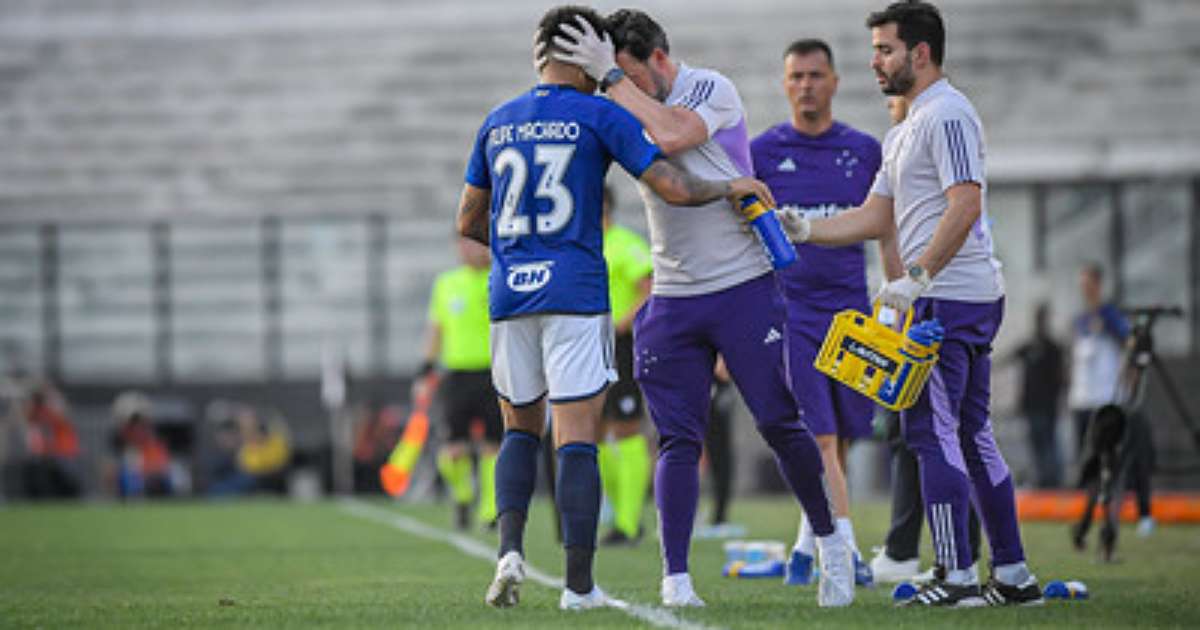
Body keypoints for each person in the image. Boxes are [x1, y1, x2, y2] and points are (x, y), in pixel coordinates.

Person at [460, 5, 777, 611]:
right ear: (585, 56)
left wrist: (517, 254)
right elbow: (674, 187)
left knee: (518, 431)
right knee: (577, 436)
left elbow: (467, 221)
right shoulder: (599, 112)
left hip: (509, 294)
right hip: (574, 291)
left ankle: (508, 553)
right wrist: (729, 185)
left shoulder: (497, 121)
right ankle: (579, 588)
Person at [551, 9, 855, 608]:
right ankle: (677, 578)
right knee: (677, 440)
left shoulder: (711, 87)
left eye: (635, 76)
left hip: (743, 283)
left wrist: (612, 78)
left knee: (778, 421)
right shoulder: (622, 97)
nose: (628, 88)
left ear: (659, 60)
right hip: (673, 294)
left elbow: (670, 136)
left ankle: (832, 543)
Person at [780, 1, 1042, 606]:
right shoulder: (905, 127)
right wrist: (805, 230)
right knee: (972, 435)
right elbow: (877, 216)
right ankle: (1013, 575)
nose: (875, 62)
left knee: (933, 434)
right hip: (954, 293)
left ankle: (956, 576)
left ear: (920, 53)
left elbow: (966, 203)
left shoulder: (946, 114)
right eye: (874, 50)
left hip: (948, 297)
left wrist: (917, 276)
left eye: (885, 49)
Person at [750, 38, 881, 588]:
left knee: (844, 437)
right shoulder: (760, 152)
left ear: (834, 81)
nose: (806, 84)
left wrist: (897, 293)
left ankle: (805, 547)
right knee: (819, 436)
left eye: (815, 75)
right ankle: (843, 553)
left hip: (852, 312)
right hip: (793, 312)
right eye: (796, 76)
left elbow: (884, 224)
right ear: (785, 84)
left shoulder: (865, 149)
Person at [415, 234, 503, 530]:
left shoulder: (501, 277)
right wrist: (426, 367)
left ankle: (490, 511)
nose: (469, 250)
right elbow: (436, 329)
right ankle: (463, 494)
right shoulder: (446, 284)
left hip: (494, 371)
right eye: (463, 244)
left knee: (494, 443)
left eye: (475, 243)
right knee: (452, 448)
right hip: (456, 375)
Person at [597, 184, 653, 546]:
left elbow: (649, 287)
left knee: (626, 428)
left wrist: (621, 323)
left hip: (619, 346)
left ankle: (629, 523)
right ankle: (617, 516)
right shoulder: (582, 246)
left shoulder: (625, 243)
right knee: (594, 431)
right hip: (585, 345)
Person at [1068, 265, 1129, 457]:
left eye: (1088, 284)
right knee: (1083, 453)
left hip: (1105, 396)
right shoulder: (1080, 319)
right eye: (1082, 285)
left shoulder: (1111, 315)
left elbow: (1129, 342)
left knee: (1105, 452)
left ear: (1098, 285)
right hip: (1082, 396)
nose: (1085, 290)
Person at [1015, 303, 1066, 488]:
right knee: (1036, 445)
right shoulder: (1029, 346)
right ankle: (1042, 480)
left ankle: (1052, 482)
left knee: (1049, 444)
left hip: (1047, 406)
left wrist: (1059, 401)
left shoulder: (1053, 348)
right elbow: (1010, 357)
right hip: (1031, 405)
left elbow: (1061, 379)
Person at [19, 383, 82, 499]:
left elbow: (60, 416)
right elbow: (27, 416)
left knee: (67, 480)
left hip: (64, 453)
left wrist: (51, 396)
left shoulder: (53, 411)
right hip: (49, 454)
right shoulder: (39, 411)